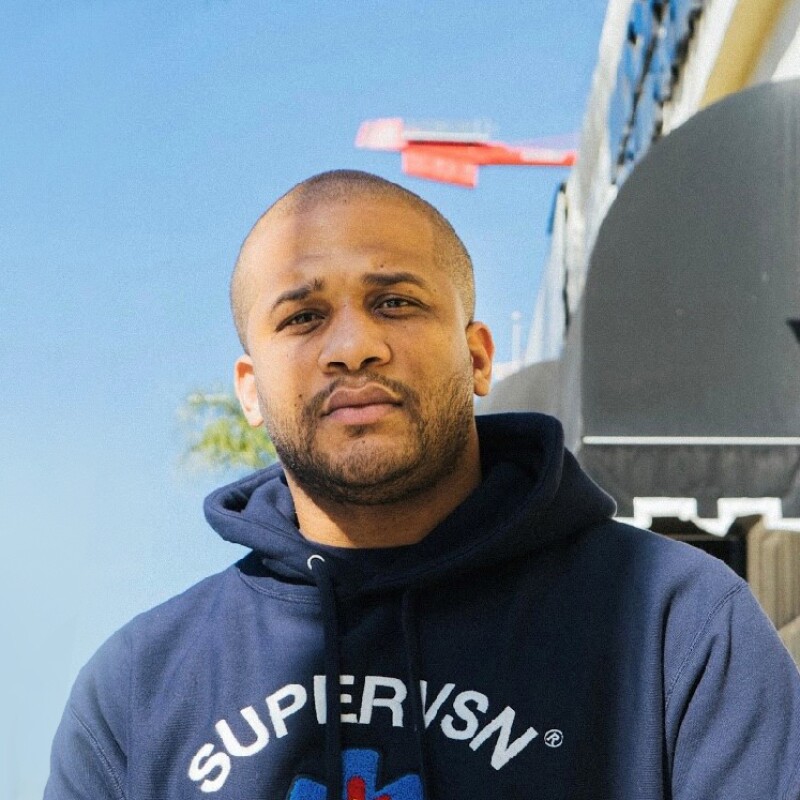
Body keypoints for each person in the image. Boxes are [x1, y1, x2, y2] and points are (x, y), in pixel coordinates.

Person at [46, 170, 800, 799]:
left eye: (395, 302)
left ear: (478, 357)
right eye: (303, 317)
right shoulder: (137, 692)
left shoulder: (676, 623)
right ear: (250, 390)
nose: (353, 347)